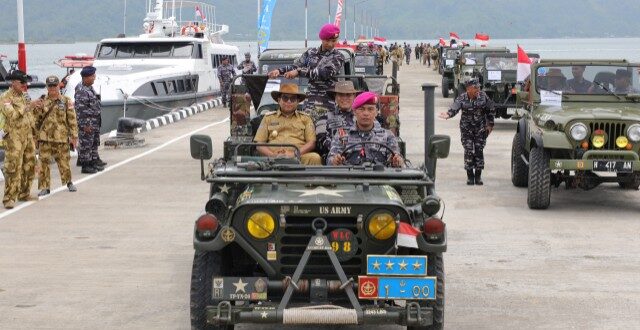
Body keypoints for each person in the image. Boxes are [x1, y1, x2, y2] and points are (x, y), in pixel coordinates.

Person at [268, 24, 345, 124]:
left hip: (328, 102)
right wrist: (279, 71)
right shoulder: (310, 52)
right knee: (307, 129)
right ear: (321, 39)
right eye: (327, 41)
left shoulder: (338, 57)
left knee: (326, 131)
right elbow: (296, 65)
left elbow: (324, 73)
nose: (330, 44)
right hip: (310, 101)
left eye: (334, 41)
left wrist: (299, 72)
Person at [439, 79, 495, 185]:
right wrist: (448, 114)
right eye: (475, 88)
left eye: (479, 87)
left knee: (479, 150)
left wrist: (490, 124)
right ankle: (470, 176)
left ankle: (478, 176)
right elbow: (455, 107)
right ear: (468, 89)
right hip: (466, 129)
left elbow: (491, 109)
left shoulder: (483, 96)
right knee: (468, 150)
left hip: (480, 129)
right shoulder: (462, 98)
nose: (478, 90)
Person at [328, 92, 403, 168]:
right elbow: (330, 160)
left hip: (379, 178)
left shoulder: (388, 136)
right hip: (350, 177)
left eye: (370, 109)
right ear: (354, 112)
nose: (366, 113)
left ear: (376, 112)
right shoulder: (342, 135)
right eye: (361, 109)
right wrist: (335, 160)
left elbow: (396, 159)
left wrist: (396, 161)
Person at [254, 83, 322, 165]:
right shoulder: (268, 118)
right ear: (279, 100)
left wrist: (294, 154)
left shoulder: (306, 118)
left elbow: (311, 143)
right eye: (285, 98)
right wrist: (272, 155)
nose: (289, 101)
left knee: (315, 158)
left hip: (298, 157)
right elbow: (259, 144)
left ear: (297, 102)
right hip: (272, 157)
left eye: (293, 99)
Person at [34, 76, 79, 196]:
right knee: (43, 162)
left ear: (59, 86)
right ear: (47, 87)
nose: (52, 88)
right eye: (50, 86)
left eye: (55, 85)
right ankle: (45, 187)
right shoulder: (42, 101)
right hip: (45, 138)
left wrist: (74, 135)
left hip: (61, 137)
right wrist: (35, 137)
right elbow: (36, 120)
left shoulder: (65, 100)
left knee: (64, 161)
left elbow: (72, 119)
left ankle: (69, 182)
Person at [1, 70, 38, 208]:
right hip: (14, 137)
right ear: (14, 82)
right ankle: (9, 198)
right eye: (22, 82)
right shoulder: (6, 97)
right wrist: (28, 107)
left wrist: (34, 133)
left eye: (25, 82)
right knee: (13, 167)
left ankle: (24, 193)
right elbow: (12, 115)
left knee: (29, 164)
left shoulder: (25, 96)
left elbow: (30, 116)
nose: (24, 85)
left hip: (27, 136)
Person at [315, 81, 359, 163]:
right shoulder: (324, 118)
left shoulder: (362, 117)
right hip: (334, 161)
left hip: (359, 158)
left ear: (354, 96)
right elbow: (321, 140)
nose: (344, 98)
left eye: (348, 95)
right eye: (341, 95)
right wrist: (341, 149)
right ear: (335, 97)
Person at [75, 66, 106, 174]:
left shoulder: (89, 87)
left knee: (92, 142)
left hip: (94, 121)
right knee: (86, 144)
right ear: (86, 77)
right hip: (87, 122)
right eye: (92, 76)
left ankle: (92, 161)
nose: (94, 78)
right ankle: (85, 165)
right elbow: (81, 110)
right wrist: (86, 124)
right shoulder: (81, 90)